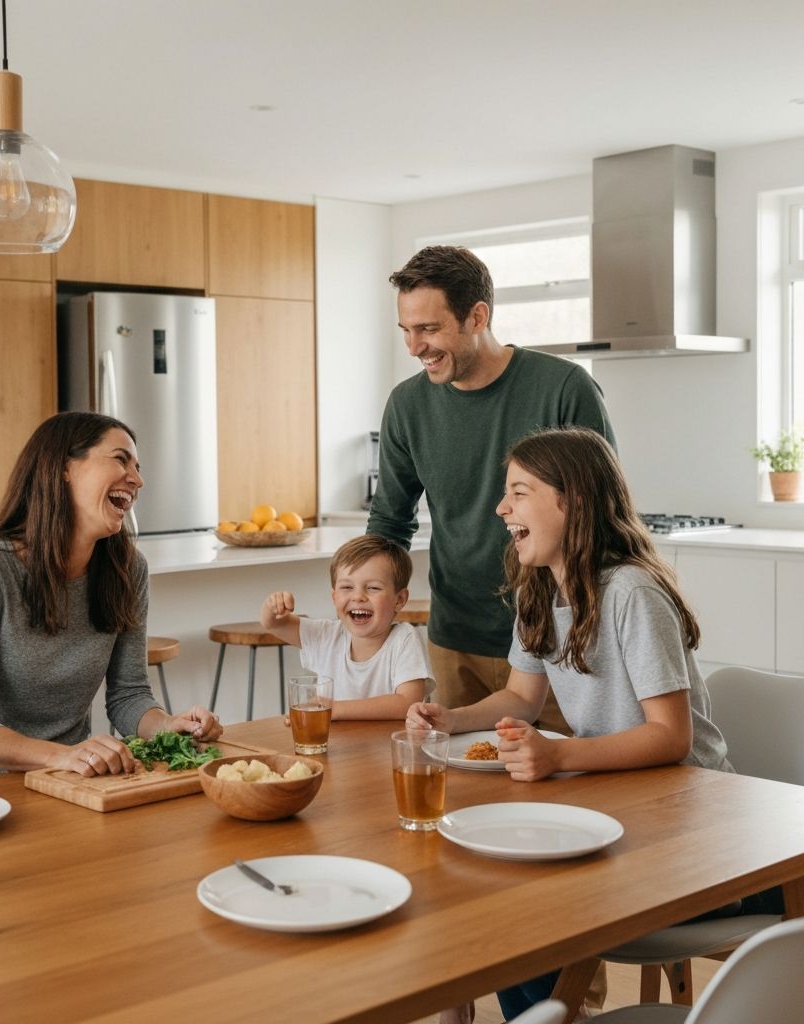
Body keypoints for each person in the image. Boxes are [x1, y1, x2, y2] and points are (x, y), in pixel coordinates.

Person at [406, 427, 778, 1021]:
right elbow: (520, 697)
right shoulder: (539, 590)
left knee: (533, 900)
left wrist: (557, 757)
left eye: (519, 492)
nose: (502, 508)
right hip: (624, 813)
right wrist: (449, 718)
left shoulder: (631, 592)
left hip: (698, 838)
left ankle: (558, 1014)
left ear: (570, 501)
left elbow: (670, 736)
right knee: (507, 886)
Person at [368, 245, 616, 736]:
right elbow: (390, 522)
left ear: (477, 315)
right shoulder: (406, 405)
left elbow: (600, 514)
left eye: (429, 329)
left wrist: (567, 622)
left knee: (565, 789)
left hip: (558, 641)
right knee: (461, 791)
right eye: (407, 331)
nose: (414, 347)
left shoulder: (564, 387)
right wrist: (362, 599)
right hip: (455, 638)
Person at [0, 411, 222, 780]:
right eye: (121, 459)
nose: (137, 480)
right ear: (64, 468)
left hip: (77, 780)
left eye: (138, 467)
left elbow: (128, 696)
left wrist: (170, 725)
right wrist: (61, 756)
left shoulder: (127, 569)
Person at [260, 535, 431, 720]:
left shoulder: (404, 640)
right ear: (334, 598)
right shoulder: (326, 635)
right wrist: (272, 606)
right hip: (336, 747)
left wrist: (334, 709)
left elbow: (408, 703)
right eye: (347, 587)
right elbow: (274, 623)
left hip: (385, 747)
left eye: (373, 588)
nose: (358, 596)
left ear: (399, 600)